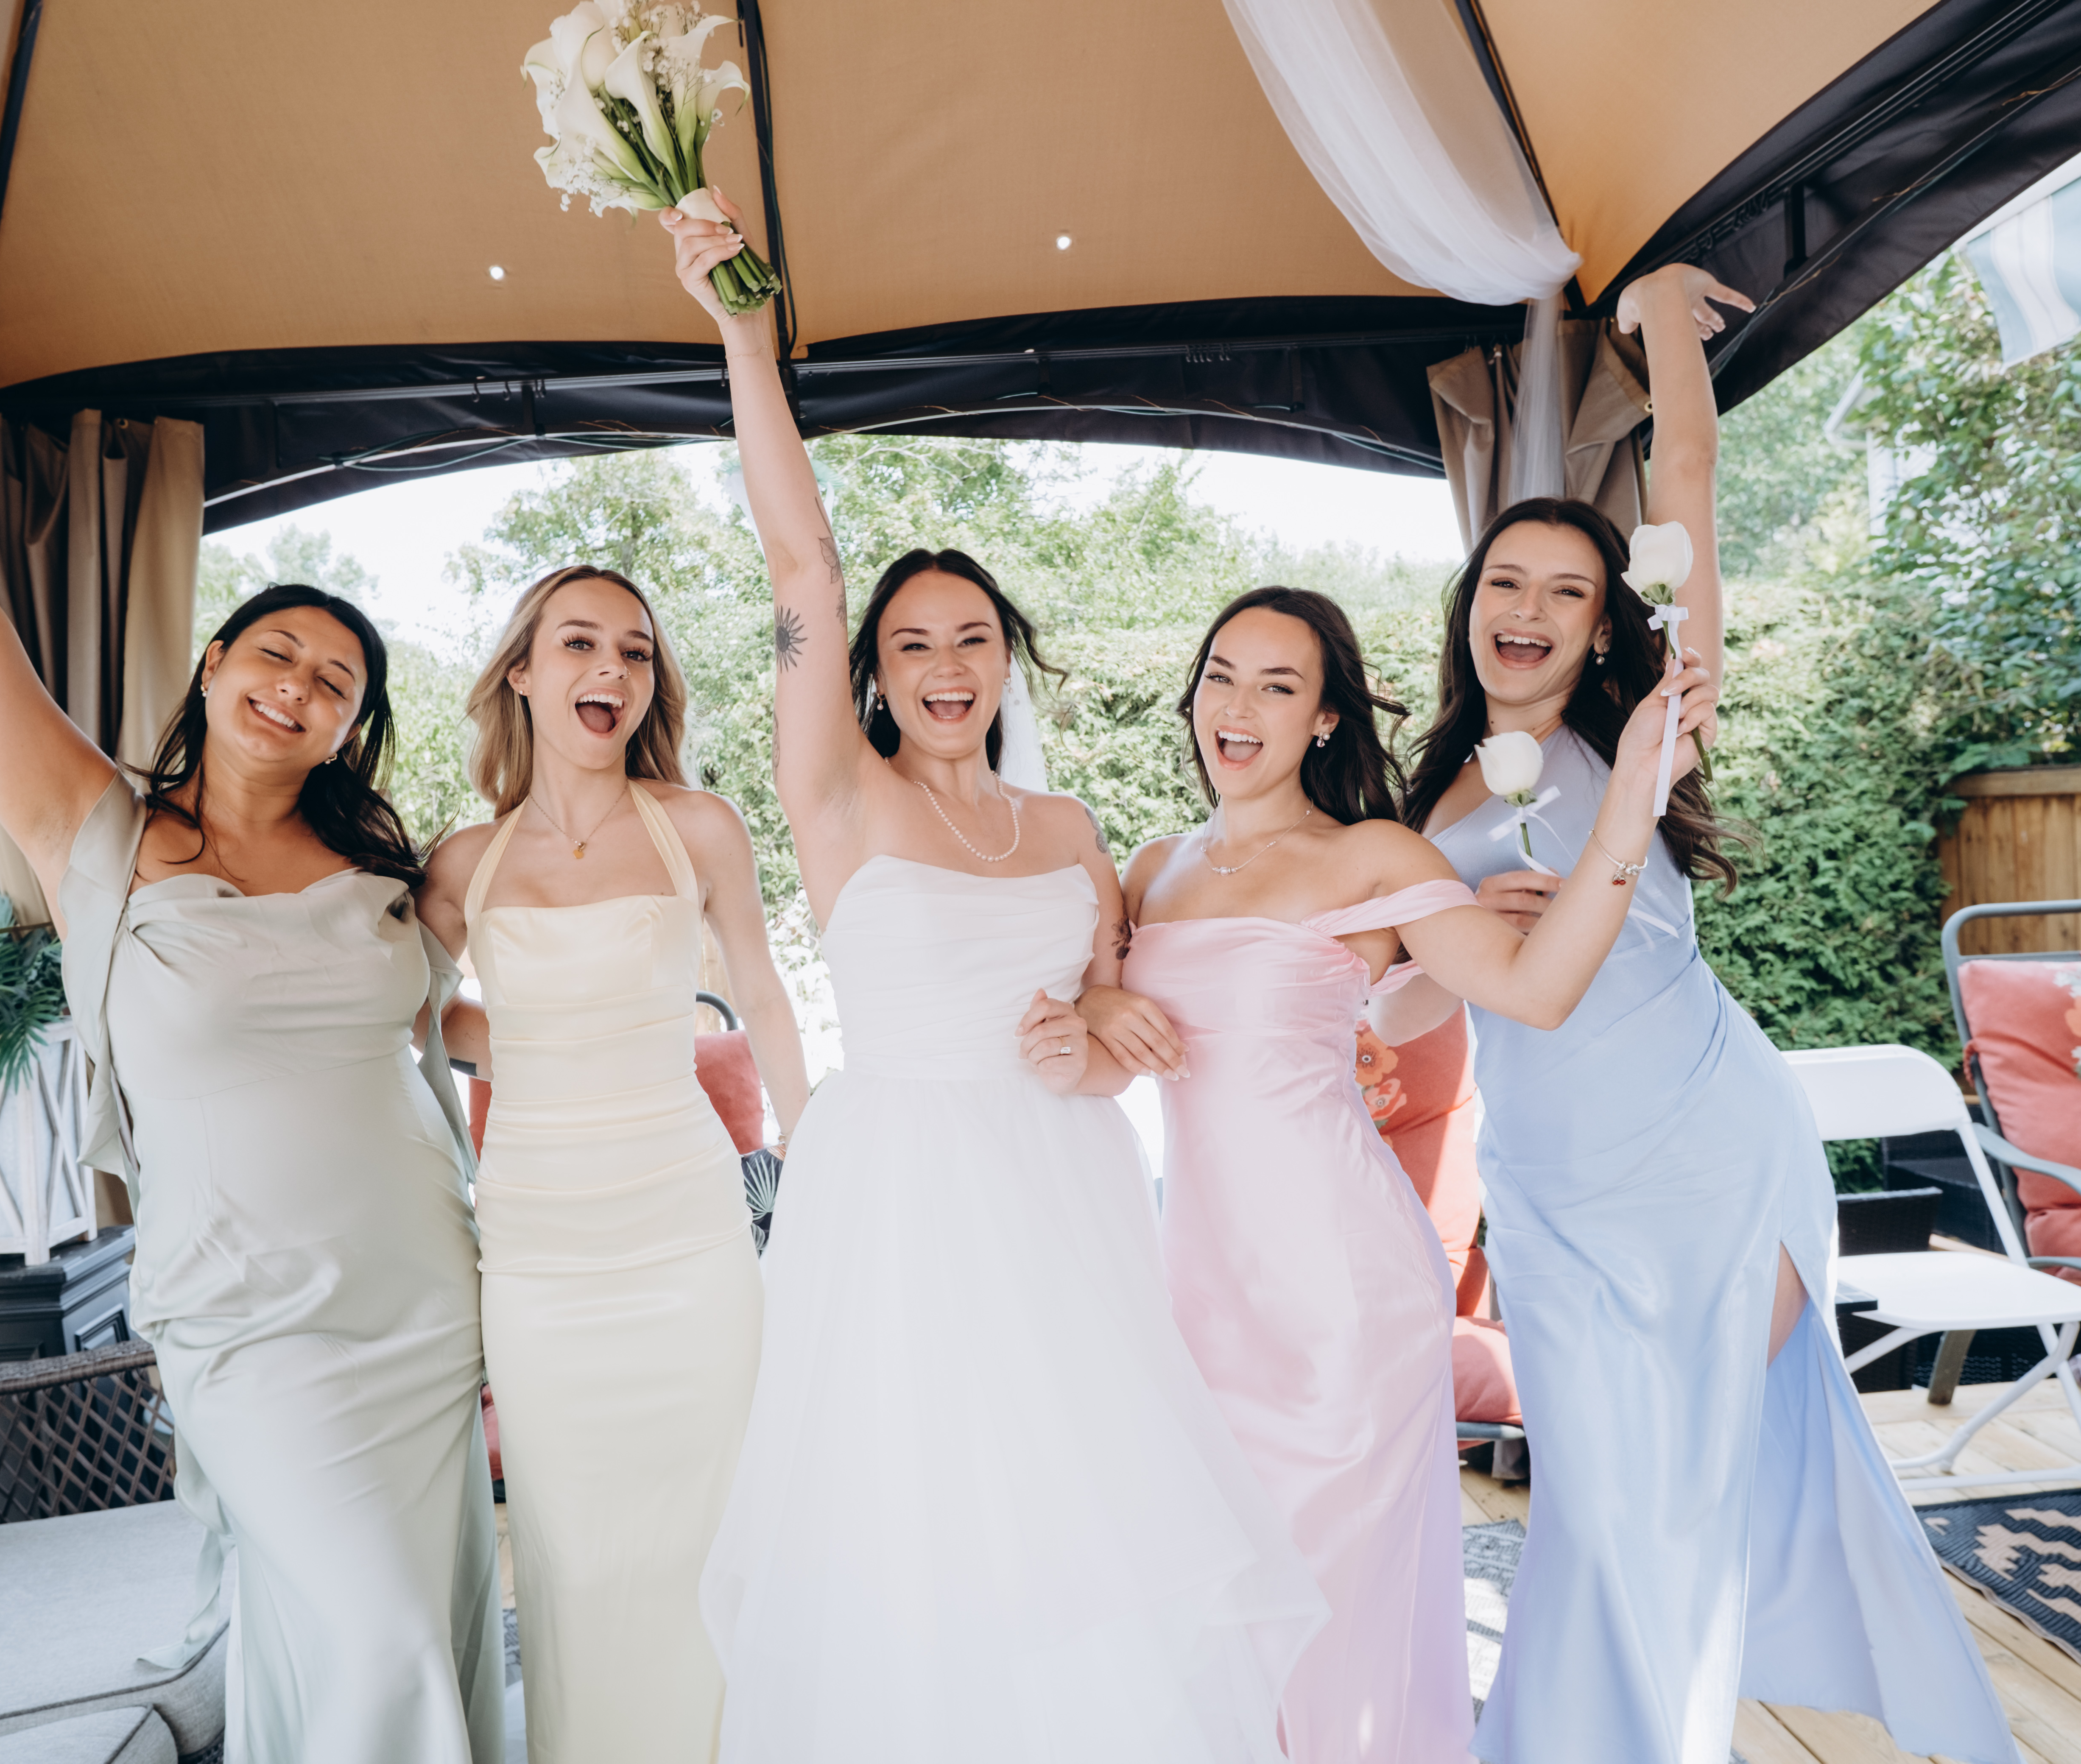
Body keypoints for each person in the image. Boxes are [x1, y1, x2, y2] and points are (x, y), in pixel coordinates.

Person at [0, 281, 504, 1761]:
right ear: (214, 665)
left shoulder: (388, 882)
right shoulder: (94, 832)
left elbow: (476, 1033)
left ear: (351, 728)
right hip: (245, 1318)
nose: (299, 686)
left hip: (422, 1295)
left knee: (407, 1626)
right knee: (377, 1628)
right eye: (276, 653)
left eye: (335, 682)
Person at [663, 196, 1328, 1762]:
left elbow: (1116, 1004)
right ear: (874, 672)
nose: (945, 665)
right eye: (912, 645)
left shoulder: (1072, 829)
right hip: (897, 1194)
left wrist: (1094, 1022)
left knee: (1077, 1514)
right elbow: (800, 560)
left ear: (1005, 659)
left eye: (971, 638)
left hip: (1062, 1188)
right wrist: (745, 335)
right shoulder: (840, 800)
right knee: (915, 1518)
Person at [1387, 264, 2018, 1764]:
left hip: (1713, 1154)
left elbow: (1689, 493)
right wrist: (1451, 948)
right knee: (1601, 1505)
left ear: (1605, 626)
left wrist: (1665, 322)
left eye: (1568, 591)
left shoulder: (1650, 728)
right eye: (1506, 584)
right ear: (1470, 610)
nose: (1530, 610)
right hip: (1556, 1194)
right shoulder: (1412, 804)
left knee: (1671, 1498)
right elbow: (1402, 999)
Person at [1076, 585, 1701, 1763]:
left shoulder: (1373, 856)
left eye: (1279, 686)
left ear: (1325, 719)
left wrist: (1625, 811)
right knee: (1213, 1597)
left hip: (1341, 1294)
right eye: (1221, 676)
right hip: (1198, 1295)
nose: (1239, 707)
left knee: (1332, 1604)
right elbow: (1100, 1059)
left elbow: (1535, 992)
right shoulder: (1149, 869)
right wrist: (1101, 1003)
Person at [416, 564, 807, 1763]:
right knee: (576, 1553)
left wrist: (822, 1155)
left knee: (717, 1524)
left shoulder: (700, 827)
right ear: (521, 675)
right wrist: (536, 1048)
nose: (612, 671)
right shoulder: (460, 864)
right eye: (580, 644)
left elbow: (765, 1000)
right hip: (538, 1249)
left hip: (688, 1233)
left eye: (636, 652)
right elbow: (413, 1017)